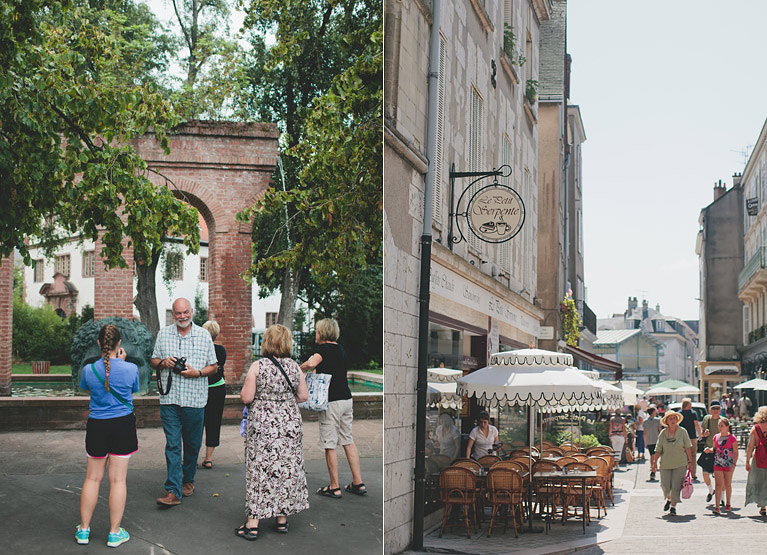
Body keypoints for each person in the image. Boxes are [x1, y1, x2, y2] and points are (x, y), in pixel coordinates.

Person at [237, 324, 309, 540]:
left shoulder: (258, 366)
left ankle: (252, 524)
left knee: (260, 471)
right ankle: (281, 520)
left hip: (263, 426)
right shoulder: (295, 367)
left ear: (267, 341)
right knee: (286, 469)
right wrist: (284, 401)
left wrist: (266, 400)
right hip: (289, 425)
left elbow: (247, 397)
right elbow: (303, 396)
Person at [76, 324, 139, 548]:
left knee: (92, 479)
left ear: (99, 343)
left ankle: (83, 530)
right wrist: (121, 362)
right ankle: (114, 533)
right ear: (119, 344)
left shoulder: (88, 370)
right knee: (117, 480)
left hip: (97, 426)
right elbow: (133, 388)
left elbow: (87, 388)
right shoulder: (131, 369)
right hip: (122, 425)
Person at [151, 297, 218, 507]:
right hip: (169, 399)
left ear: (192, 312)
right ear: (173, 314)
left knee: (192, 445)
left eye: (185, 312)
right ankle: (173, 490)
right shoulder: (163, 334)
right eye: (178, 313)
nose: (182, 317)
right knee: (172, 444)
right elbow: (153, 360)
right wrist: (163, 362)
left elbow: (214, 367)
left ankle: (188, 479)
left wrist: (197, 373)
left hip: (195, 400)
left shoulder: (204, 335)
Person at [301, 318, 368, 498]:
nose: (316, 334)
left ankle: (334, 486)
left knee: (329, 444)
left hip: (331, 402)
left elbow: (311, 364)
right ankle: (358, 482)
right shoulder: (340, 349)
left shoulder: (322, 349)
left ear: (322, 333)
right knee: (348, 439)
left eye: (317, 331)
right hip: (346, 399)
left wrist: (298, 369)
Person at [651, 410, 694, 515]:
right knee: (665, 485)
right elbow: (658, 449)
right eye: (670, 419)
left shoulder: (683, 431)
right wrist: (654, 462)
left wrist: (690, 462)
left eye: (674, 418)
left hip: (680, 463)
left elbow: (688, 447)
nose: (673, 420)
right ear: (666, 422)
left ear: (677, 420)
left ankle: (673, 506)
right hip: (665, 463)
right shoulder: (663, 433)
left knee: (676, 486)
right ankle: (669, 499)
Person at [201, 320, 227, 469]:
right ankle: (208, 458)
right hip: (217, 389)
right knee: (214, 423)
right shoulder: (221, 350)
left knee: (196, 423)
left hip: (202, 389)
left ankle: (191, 455)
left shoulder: (198, 349)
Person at [704, 417, 738, 514]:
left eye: (722, 426)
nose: (720, 427)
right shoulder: (716, 437)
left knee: (727, 484)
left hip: (728, 464)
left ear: (727, 427)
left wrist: (734, 464)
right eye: (719, 425)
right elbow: (714, 449)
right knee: (718, 485)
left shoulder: (732, 438)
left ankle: (728, 503)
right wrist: (709, 450)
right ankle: (717, 506)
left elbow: (736, 452)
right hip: (718, 463)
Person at [745, 405, 767, 516]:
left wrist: (747, 461)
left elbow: (750, 446)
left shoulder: (756, 428)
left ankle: (763, 507)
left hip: (757, 459)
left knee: (760, 481)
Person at [698, 401, 721, 503]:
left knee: (719, 476)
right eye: (713, 408)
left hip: (720, 451)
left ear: (720, 409)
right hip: (708, 449)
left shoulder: (723, 420)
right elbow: (702, 433)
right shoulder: (707, 419)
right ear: (710, 409)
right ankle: (711, 490)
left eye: (717, 408)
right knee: (705, 474)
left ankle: (721, 498)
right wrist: (704, 434)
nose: (715, 410)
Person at [678, 398, 702, 480]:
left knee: (683, 456)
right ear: (688, 405)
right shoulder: (693, 413)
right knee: (693, 456)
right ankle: (693, 473)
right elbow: (696, 424)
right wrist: (700, 434)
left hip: (681, 438)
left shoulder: (679, 414)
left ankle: (683, 473)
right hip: (692, 437)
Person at [644, 407, 662, 481]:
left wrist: (645, 442)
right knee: (656, 456)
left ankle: (653, 468)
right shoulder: (658, 421)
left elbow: (644, 433)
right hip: (657, 440)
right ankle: (654, 469)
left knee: (652, 456)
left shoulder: (645, 422)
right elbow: (660, 431)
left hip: (649, 441)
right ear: (653, 412)